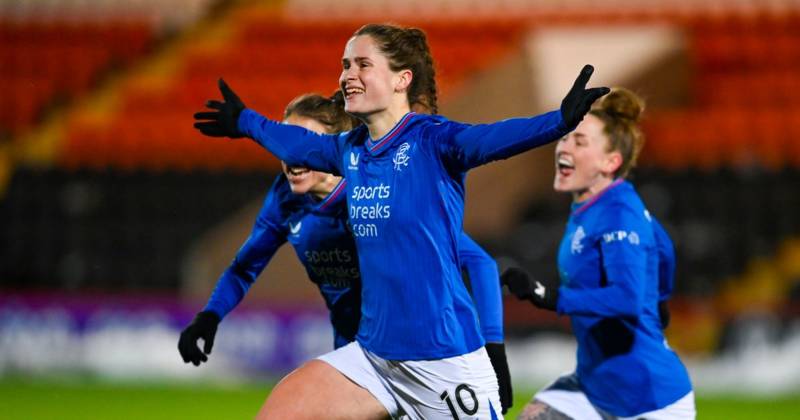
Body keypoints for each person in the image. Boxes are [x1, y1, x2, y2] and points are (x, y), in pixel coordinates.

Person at [194, 22, 608, 420]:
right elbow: (299, 142)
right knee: (284, 407)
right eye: (344, 65)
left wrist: (559, 121)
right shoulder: (351, 150)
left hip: (443, 362)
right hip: (374, 359)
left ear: (401, 79)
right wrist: (244, 121)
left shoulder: (433, 140)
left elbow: (493, 138)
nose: (347, 76)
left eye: (361, 64)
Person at [180, 90, 514, 413]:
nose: (292, 158)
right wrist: (210, 316)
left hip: (429, 359)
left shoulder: (373, 192)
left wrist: (494, 350)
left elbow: (479, 262)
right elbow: (244, 267)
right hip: (361, 362)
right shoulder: (285, 200)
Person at [502, 88, 695, 419]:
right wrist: (659, 299)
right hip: (595, 383)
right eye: (566, 138)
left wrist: (548, 296)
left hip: (647, 399)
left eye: (579, 142)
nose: (563, 146)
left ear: (610, 162)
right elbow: (662, 247)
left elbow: (628, 300)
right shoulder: (594, 205)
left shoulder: (619, 215)